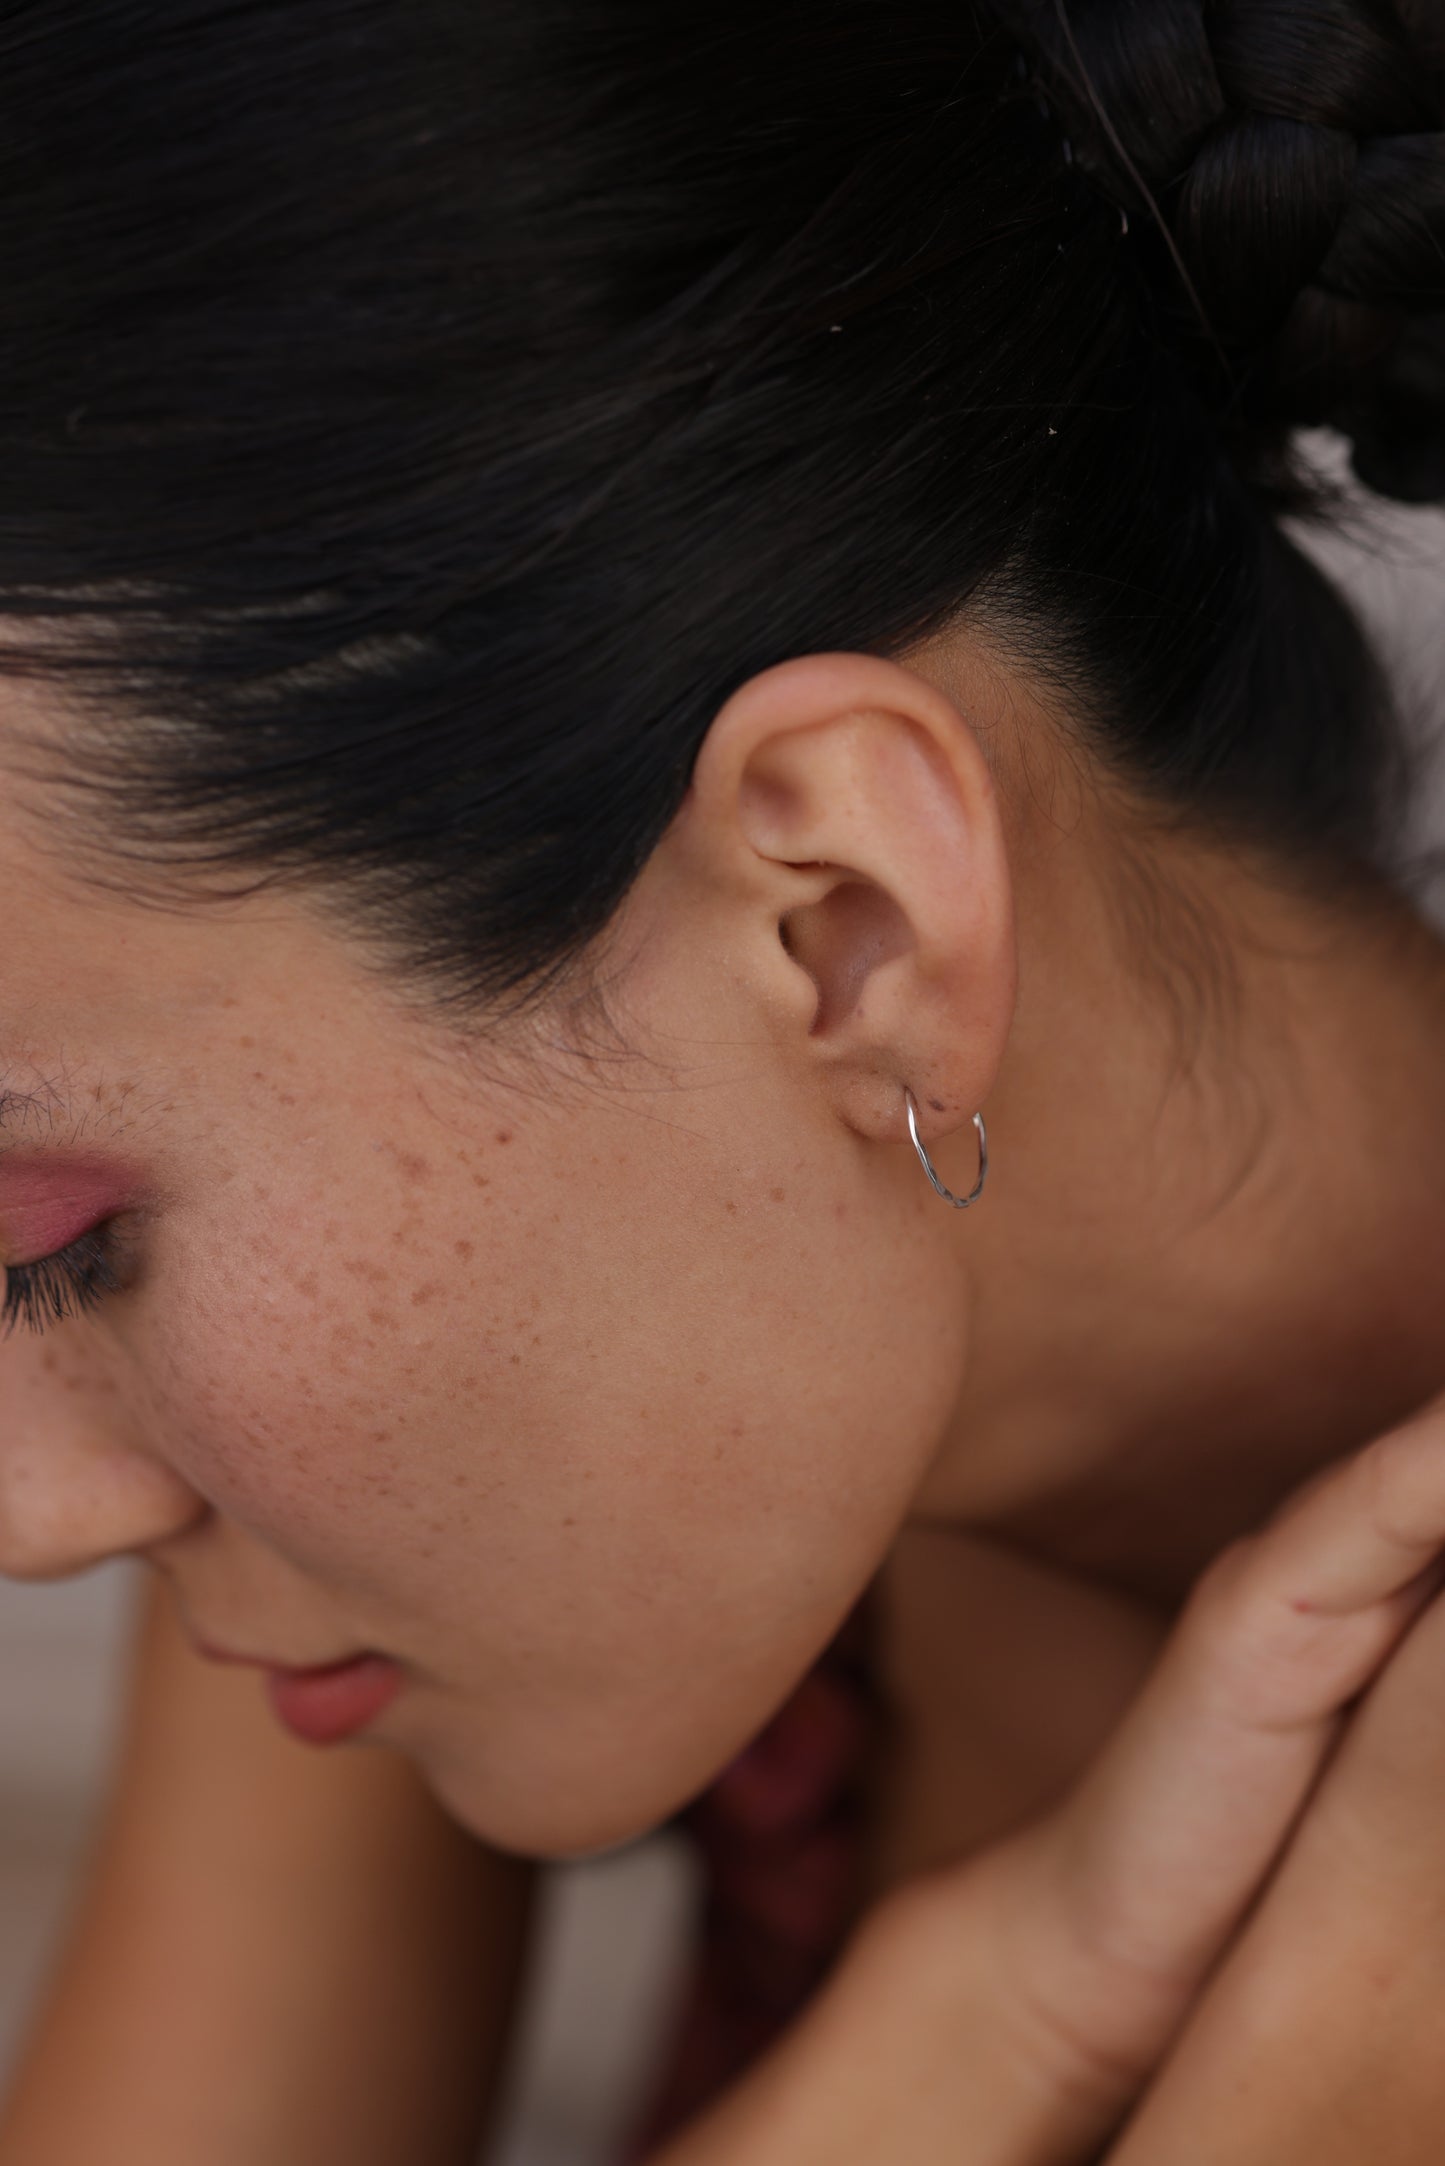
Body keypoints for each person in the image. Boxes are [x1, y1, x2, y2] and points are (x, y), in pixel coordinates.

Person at [1, 1, 1445, 2159]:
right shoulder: (472, 1443)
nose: (33, 1523)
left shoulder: (453, 1404)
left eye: (66, 1254)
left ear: (842, 929)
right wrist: (972, 2037)